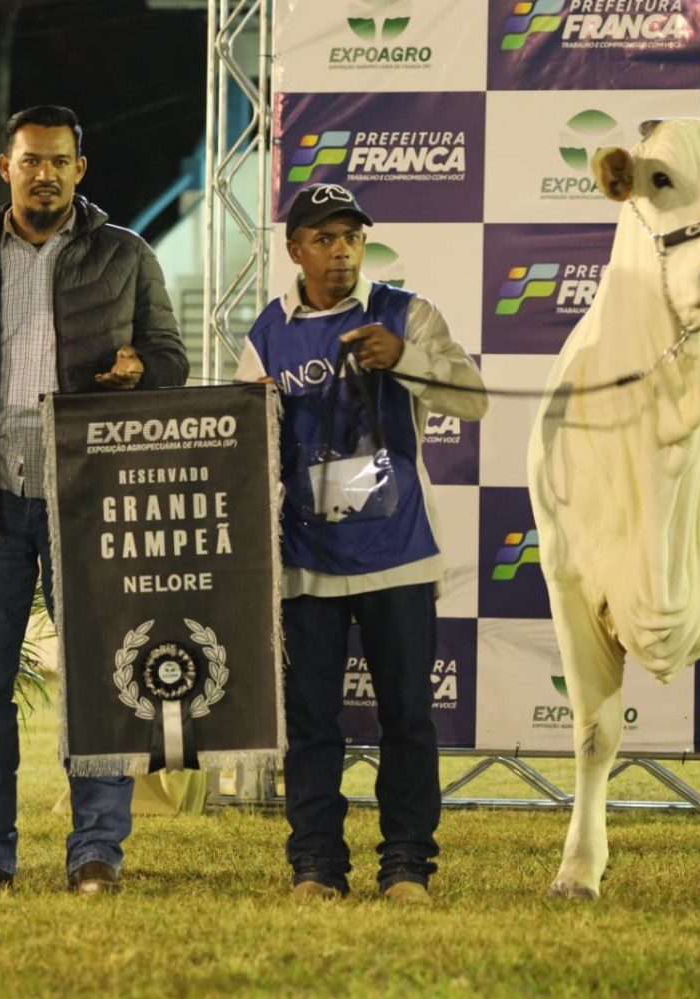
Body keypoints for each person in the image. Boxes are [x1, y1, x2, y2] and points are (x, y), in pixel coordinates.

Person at [0, 105, 188, 894]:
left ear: (81, 169)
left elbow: (172, 357)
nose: (45, 173)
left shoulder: (127, 254)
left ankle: (97, 853)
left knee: (104, 684)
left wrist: (142, 372)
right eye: (30, 160)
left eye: (59, 161)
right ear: (5, 167)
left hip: (94, 502)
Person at [235, 183, 488, 903]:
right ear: (295, 251)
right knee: (312, 725)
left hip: (397, 551)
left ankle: (407, 864)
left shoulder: (404, 311)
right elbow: (245, 440)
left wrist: (405, 357)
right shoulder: (269, 330)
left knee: (407, 715)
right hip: (304, 560)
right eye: (324, 238)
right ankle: (316, 866)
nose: (341, 250)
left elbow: (469, 399)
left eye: (351, 236)